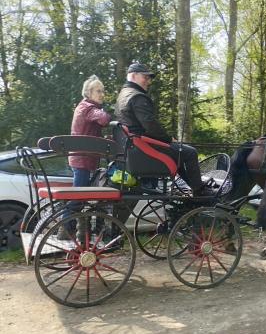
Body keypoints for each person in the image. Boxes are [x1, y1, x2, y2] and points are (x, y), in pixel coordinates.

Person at [115, 62, 212, 196]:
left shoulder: (123, 95)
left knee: (180, 152)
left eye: (149, 78)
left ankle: (195, 186)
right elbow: (150, 125)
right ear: (133, 76)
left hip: (135, 147)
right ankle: (199, 191)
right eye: (145, 77)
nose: (148, 81)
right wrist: (168, 139)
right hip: (145, 146)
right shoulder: (137, 96)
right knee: (190, 152)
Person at [58, 75, 112, 240]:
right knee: (78, 197)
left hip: (82, 159)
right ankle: (65, 231)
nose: (102, 94)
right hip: (82, 160)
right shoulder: (88, 107)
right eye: (98, 91)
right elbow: (104, 119)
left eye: (103, 91)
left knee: (80, 197)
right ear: (88, 93)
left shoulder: (85, 107)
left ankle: (78, 230)